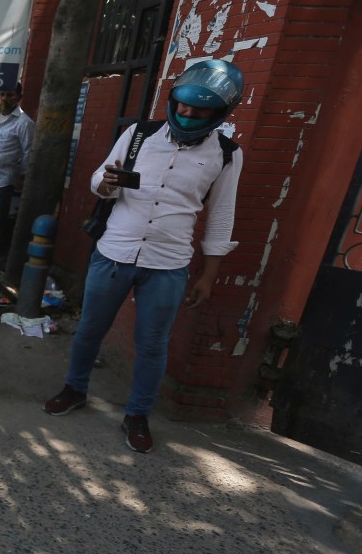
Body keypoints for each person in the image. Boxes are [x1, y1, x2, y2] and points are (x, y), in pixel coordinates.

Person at [43, 60, 246, 454]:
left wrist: (207, 276)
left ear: (221, 113)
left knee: (153, 344)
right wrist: (106, 183)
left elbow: (222, 215)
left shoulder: (226, 155)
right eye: (182, 106)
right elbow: (99, 179)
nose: (187, 115)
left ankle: (137, 414)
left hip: (168, 263)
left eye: (199, 111)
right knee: (90, 329)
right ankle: (75, 389)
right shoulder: (139, 134)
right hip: (114, 251)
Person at [0, 82, 34, 268]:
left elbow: (29, 153)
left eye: (10, 95)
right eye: (2, 94)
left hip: (3, 180)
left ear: (18, 98)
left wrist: (21, 175)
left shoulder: (24, 123)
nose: (5, 99)